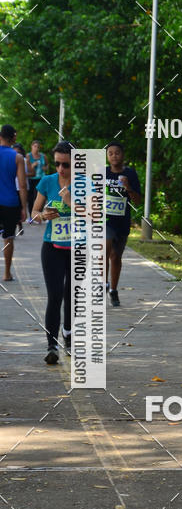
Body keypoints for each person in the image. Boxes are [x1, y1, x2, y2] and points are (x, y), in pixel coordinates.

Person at [31, 141, 74, 364]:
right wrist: (41, 216)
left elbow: (93, 215)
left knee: (71, 295)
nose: (61, 169)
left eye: (65, 165)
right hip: (52, 247)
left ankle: (68, 333)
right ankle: (51, 346)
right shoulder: (47, 182)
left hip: (77, 247)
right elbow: (34, 211)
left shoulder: (84, 184)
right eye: (57, 164)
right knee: (55, 295)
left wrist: (69, 201)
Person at [105, 141, 141, 306]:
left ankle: (113, 289)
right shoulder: (102, 173)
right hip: (104, 220)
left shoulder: (130, 174)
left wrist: (128, 187)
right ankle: (102, 284)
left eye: (117, 153)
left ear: (123, 155)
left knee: (116, 257)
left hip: (122, 222)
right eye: (110, 153)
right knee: (105, 250)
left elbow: (138, 201)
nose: (114, 156)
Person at [0, 124, 27, 281]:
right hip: (10, 202)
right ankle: (6, 273)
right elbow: (22, 185)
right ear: (14, 137)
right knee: (8, 237)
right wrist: (24, 207)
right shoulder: (18, 158)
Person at [26, 139, 47, 217]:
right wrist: (32, 166)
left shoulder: (43, 156)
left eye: (38, 147)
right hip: (31, 179)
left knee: (39, 197)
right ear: (31, 147)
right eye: (35, 146)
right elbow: (26, 168)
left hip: (40, 178)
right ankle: (31, 215)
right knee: (30, 197)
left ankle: (38, 215)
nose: (36, 148)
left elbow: (47, 165)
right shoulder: (28, 156)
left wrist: (45, 168)